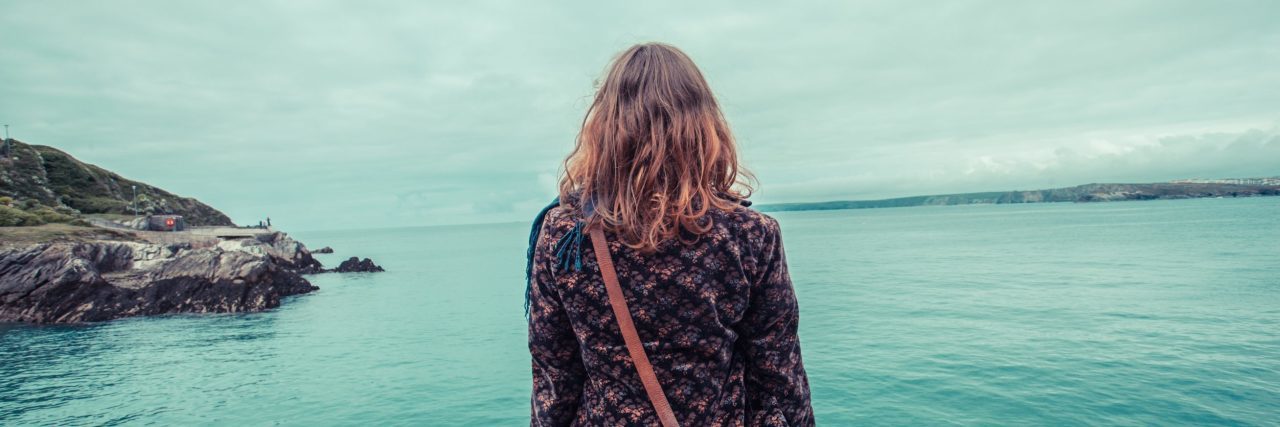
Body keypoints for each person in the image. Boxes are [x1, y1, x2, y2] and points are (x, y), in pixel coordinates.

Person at [526, 43, 813, 426]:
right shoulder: (749, 235)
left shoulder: (565, 235)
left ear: (605, 127)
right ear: (704, 126)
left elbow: (555, 380)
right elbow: (780, 382)